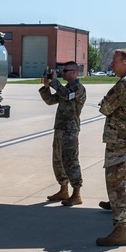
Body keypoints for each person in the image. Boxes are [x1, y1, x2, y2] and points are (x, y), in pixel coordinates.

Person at [95, 49, 126, 246]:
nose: (111, 64)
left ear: (125, 62)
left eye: (114, 61)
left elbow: (105, 107)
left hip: (120, 140)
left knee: (117, 184)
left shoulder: (124, 84)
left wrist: (105, 103)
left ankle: (120, 229)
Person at [39, 61, 87, 205]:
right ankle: (63, 189)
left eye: (65, 71)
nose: (63, 73)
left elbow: (66, 96)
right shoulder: (65, 88)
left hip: (70, 130)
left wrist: (55, 82)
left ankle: (77, 193)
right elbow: (50, 100)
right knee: (58, 160)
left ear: (74, 72)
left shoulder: (78, 89)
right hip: (60, 128)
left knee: (71, 161)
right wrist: (46, 87)